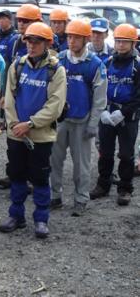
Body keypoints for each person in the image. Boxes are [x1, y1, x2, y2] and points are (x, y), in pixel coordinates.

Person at [0, 22, 67, 239]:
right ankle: (16, 215)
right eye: (28, 41)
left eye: (36, 41)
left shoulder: (56, 70)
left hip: (41, 135)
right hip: (16, 134)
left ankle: (41, 219)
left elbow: (55, 106)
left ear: (47, 43)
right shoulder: (17, 66)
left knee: (39, 177)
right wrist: (14, 124)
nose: (31, 45)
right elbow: (9, 99)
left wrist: (29, 124)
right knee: (17, 174)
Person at [49, 20, 107, 216]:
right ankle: (54, 196)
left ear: (86, 39)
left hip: (82, 122)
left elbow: (100, 98)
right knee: (54, 160)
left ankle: (81, 199)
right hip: (60, 120)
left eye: (76, 37)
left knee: (81, 165)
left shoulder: (95, 65)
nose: (71, 41)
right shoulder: (60, 60)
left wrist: (93, 124)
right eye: (69, 36)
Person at [0, 3, 43, 189]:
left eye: (26, 20)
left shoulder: (47, 42)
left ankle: (33, 178)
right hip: (17, 97)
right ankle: (13, 173)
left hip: (36, 96)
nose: (21, 23)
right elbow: (8, 69)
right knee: (14, 138)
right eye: (19, 20)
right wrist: (5, 94)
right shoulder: (15, 41)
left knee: (36, 139)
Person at [90, 24, 140, 206]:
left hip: (128, 117)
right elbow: (98, 88)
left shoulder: (137, 65)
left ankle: (125, 188)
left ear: (133, 43)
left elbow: (138, 95)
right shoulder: (108, 63)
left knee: (126, 154)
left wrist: (124, 112)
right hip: (108, 114)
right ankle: (103, 184)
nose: (120, 45)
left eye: (125, 42)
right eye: (118, 41)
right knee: (106, 152)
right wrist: (102, 110)